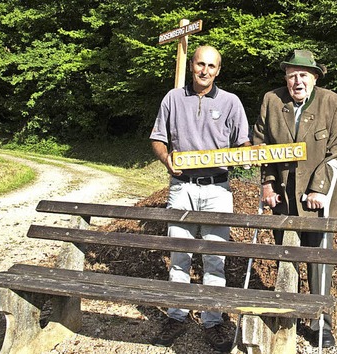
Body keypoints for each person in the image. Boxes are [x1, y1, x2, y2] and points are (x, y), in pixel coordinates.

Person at [149, 45, 251, 352]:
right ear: (192, 66)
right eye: (200, 64)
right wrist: (167, 159)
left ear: (218, 70)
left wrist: (247, 154)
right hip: (182, 188)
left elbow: (243, 141)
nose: (204, 70)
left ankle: (212, 321)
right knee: (179, 255)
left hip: (218, 189)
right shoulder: (172, 98)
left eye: (211, 66)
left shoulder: (231, 102)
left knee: (214, 258)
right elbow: (157, 139)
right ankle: (177, 316)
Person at [252, 49, 337, 348]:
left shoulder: (333, 104)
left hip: (320, 200)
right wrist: (268, 185)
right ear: (285, 77)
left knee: (319, 262)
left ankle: (320, 322)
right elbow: (261, 147)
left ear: (315, 77)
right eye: (292, 74)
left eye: (303, 75)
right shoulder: (272, 101)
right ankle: (287, 315)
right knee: (286, 258)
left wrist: (319, 189)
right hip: (282, 198)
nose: (297, 81)